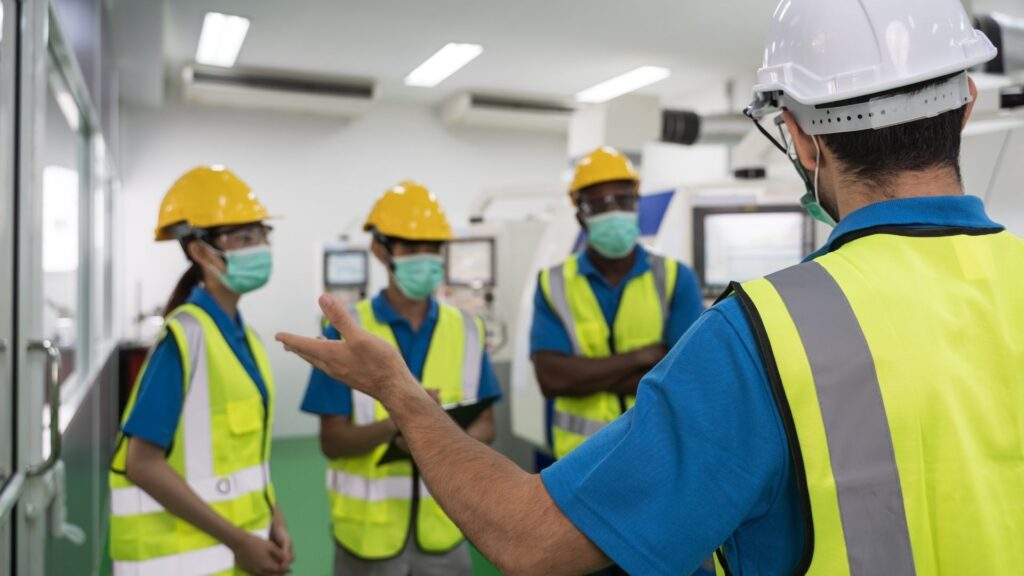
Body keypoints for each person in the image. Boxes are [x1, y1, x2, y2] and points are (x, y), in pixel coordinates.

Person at [277, 0, 1024, 573]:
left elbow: (531, 539)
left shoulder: (763, 335)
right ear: (967, 99)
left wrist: (398, 393)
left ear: (800, 139)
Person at [300, 181, 502, 576]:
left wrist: (436, 437)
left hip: (448, 524)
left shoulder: (468, 329)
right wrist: (405, 419)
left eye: (433, 247)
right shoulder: (346, 329)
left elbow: (487, 426)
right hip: (367, 538)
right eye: (411, 247)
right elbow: (333, 441)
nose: (425, 258)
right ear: (380, 249)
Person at [109, 166, 293, 576]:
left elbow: (246, 456)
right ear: (200, 251)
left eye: (262, 234)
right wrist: (240, 541)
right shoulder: (184, 339)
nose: (259, 247)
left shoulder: (243, 337)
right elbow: (142, 464)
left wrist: (271, 519)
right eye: (244, 237)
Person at [531, 146, 703, 461]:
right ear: (580, 214)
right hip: (578, 460)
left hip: (656, 452)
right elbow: (552, 378)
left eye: (623, 200)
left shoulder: (676, 278)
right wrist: (644, 356)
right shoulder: (553, 283)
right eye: (598, 205)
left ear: (636, 204)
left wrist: (586, 375)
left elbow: (685, 376)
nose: (613, 212)